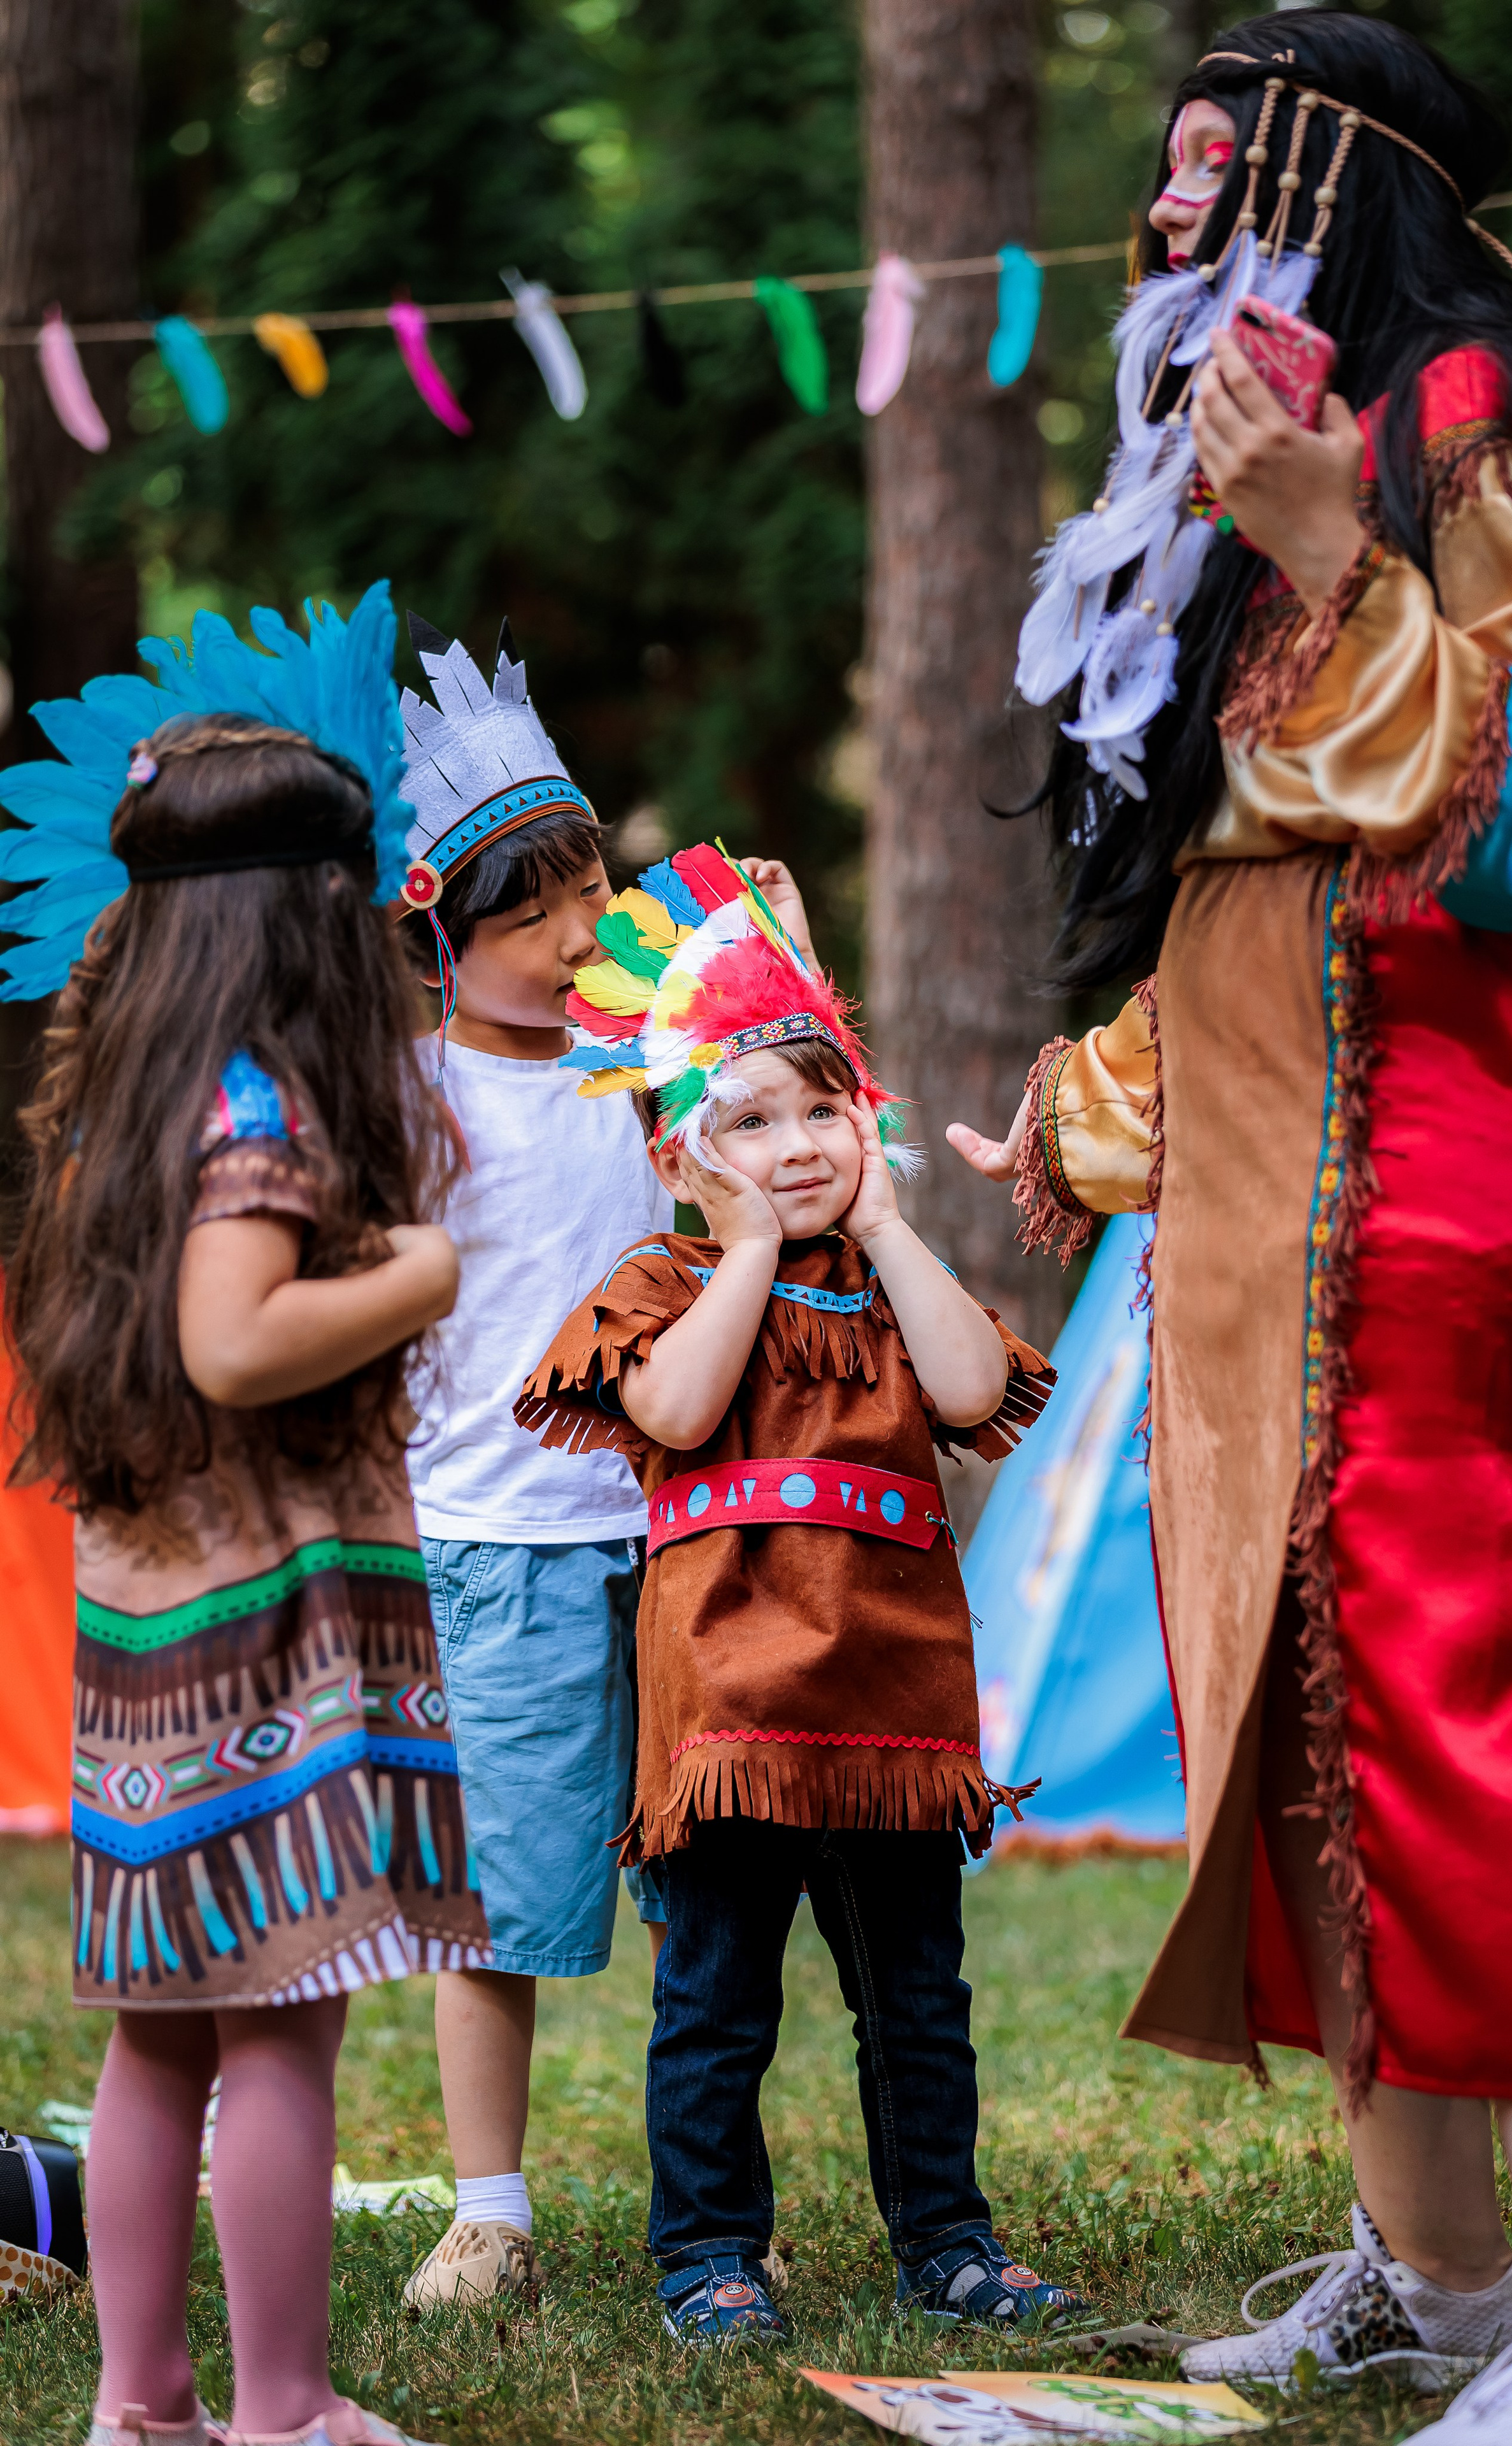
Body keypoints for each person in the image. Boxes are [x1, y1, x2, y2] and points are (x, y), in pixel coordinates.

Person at [952, 13, 1512, 2436]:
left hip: (1427, 1151)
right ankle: (1441, 2282)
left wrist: (1344, 540)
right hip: (1280, 1157)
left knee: (1440, 1686)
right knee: (1299, 1698)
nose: (1164, 219)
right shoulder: (1244, 492)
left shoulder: (1470, 412)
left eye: (1215, 172)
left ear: (1343, 193)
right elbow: (1261, 883)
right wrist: (1102, 1099)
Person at [1, 589, 485, 2446]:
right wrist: (420, 1275)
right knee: (280, 2023)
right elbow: (236, 1337)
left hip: (147, 1625)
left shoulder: (131, 1097)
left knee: (159, 2036)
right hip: (264, 1627)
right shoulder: (263, 1100)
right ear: (305, 921)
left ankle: (146, 2409)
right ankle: (283, 2412)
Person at [512, 845, 1079, 2345]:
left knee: (914, 2002)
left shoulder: (895, 1286)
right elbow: (682, 1416)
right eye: (745, 1122)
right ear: (677, 1159)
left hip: (891, 1713)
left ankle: (946, 2243)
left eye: (819, 1106)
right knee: (713, 2004)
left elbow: (970, 1389)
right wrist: (748, 1246)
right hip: (727, 1713)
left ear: (863, 1115)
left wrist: (889, 1228)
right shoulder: (658, 1285)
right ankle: (707, 2252)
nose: (795, 1142)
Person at [389, 616, 815, 2307]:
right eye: (535, 913)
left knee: (707, 1899)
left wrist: (770, 953)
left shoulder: (648, 1069)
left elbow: (791, 1120)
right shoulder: (407, 1098)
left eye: (588, 893)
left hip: (687, 1528)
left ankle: (712, 2203)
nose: (580, 932)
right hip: (497, 1545)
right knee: (501, 1895)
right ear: (442, 933)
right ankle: (489, 2206)